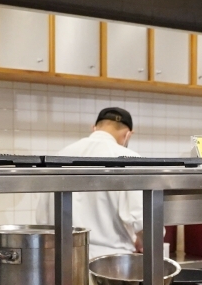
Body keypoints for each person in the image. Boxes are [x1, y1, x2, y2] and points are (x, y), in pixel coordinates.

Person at [36, 107, 142, 258]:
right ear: (127, 134)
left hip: (64, 260)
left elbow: (42, 217)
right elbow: (145, 222)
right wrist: (141, 241)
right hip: (112, 265)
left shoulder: (60, 156)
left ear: (94, 128)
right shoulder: (128, 158)